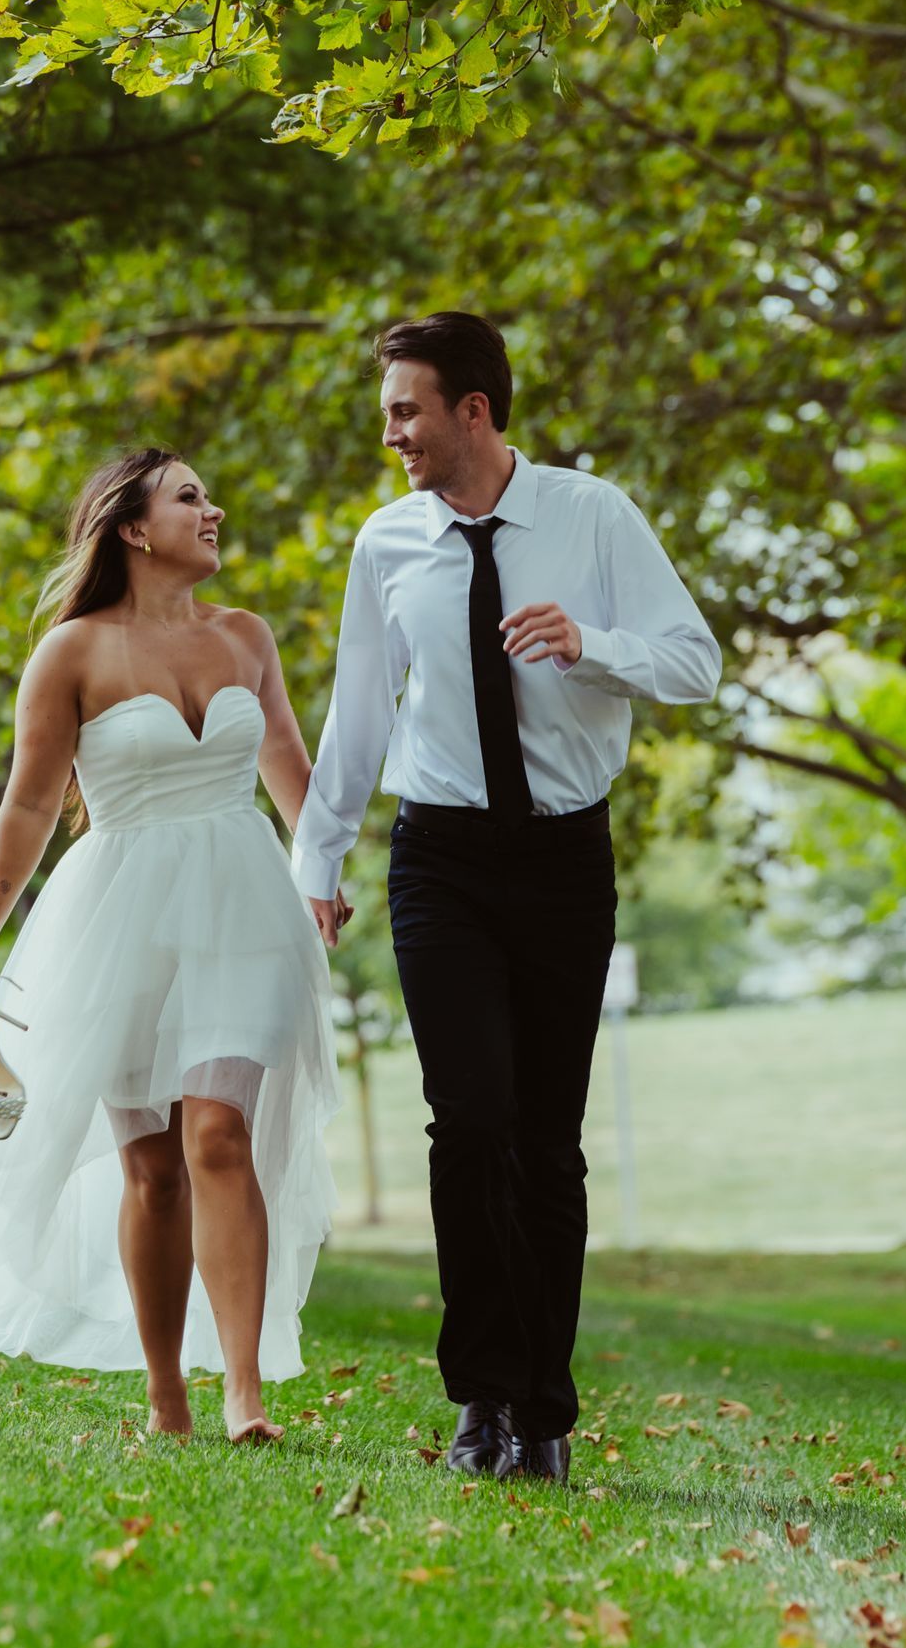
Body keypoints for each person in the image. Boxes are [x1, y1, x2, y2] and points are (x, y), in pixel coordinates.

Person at [293, 314, 720, 1484]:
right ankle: (484, 1397)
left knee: (546, 1143)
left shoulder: (593, 517)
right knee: (468, 1123)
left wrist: (592, 645)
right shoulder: (387, 543)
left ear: (472, 411)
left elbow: (697, 661)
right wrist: (314, 864)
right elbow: (359, 713)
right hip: (443, 861)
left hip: (566, 862)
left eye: (404, 411)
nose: (390, 436)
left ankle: (545, 1412)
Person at [0, 449, 343, 1442]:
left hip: (243, 907)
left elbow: (286, 759)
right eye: (190, 497)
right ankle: (165, 1392)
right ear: (134, 529)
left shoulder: (246, 637)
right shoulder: (72, 653)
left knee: (219, 1133)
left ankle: (244, 1392)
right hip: (120, 921)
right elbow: (27, 803)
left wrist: (321, 871)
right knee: (152, 1167)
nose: (214, 509)